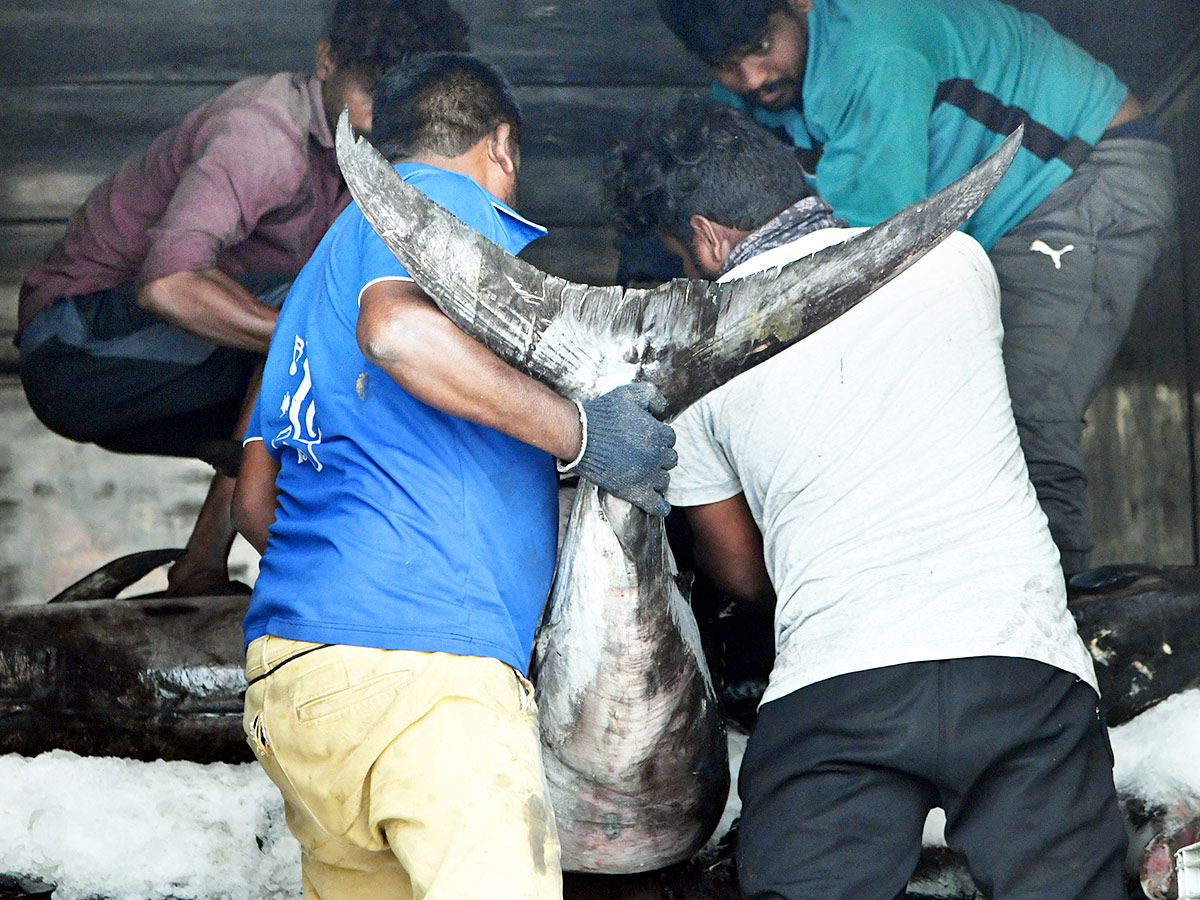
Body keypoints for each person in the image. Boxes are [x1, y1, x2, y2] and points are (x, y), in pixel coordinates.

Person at [604, 97, 1128, 900]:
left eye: (683, 256)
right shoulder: (957, 263)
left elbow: (741, 573)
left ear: (706, 238)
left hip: (837, 684)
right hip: (1020, 663)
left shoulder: (698, 352)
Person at [231, 53, 677, 899]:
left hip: (297, 677)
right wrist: (582, 434)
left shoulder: (308, 288)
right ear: (500, 145)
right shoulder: (442, 203)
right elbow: (397, 332)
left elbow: (258, 502)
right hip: (427, 674)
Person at [654, 0, 1177, 577]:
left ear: (798, 4)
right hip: (983, 217)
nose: (752, 78)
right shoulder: (745, 94)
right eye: (728, 65)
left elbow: (858, 252)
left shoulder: (875, 47)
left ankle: (1056, 624)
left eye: (759, 47)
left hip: (1080, 175)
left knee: (1024, 413)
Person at [16, 0, 472, 596]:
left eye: (400, 100)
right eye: (370, 90)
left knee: (345, 360)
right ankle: (222, 558)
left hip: (169, 375)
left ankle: (205, 567)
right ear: (327, 60)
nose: (382, 116)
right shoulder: (265, 132)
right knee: (322, 311)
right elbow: (167, 286)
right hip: (72, 351)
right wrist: (307, 336)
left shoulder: (364, 158)